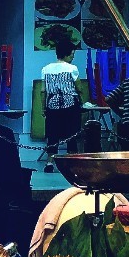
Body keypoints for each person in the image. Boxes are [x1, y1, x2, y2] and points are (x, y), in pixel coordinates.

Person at [41, 38, 83, 168]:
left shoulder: (46, 69)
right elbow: (79, 88)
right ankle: (73, 163)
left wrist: (43, 108)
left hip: (52, 104)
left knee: (52, 135)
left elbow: (43, 91)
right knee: (72, 133)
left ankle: (49, 162)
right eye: (72, 54)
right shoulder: (72, 68)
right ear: (66, 54)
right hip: (70, 104)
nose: (72, 57)